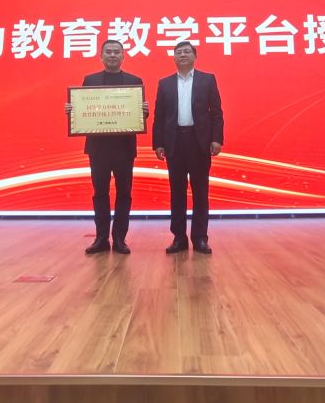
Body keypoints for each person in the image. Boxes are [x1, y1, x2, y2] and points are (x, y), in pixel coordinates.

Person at [66, 40, 148, 255]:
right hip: (98, 148)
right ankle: (101, 238)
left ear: (123, 56)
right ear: (101, 56)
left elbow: (139, 115)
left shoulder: (134, 81)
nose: (112, 55)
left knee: (124, 193)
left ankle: (120, 239)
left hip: (124, 148)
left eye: (116, 52)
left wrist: (143, 111)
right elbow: (83, 110)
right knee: (100, 193)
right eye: (108, 52)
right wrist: (73, 110)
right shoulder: (90, 80)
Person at [152, 41, 224, 255]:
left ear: (194, 56)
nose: (182, 55)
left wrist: (217, 139)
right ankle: (179, 238)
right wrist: (158, 143)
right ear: (174, 57)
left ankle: (200, 238)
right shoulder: (165, 83)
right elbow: (159, 116)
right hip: (174, 143)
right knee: (177, 192)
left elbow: (217, 113)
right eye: (178, 52)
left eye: (186, 52)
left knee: (201, 192)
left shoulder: (207, 80)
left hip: (199, 142)